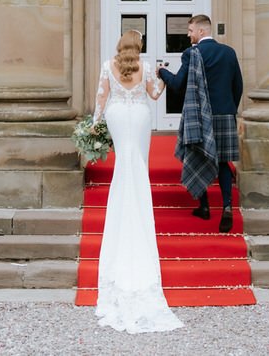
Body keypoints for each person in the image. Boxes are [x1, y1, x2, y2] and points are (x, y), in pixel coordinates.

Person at [91, 30, 182, 334]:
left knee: (123, 164)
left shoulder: (108, 65)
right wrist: (163, 77)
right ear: (138, 47)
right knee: (138, 162)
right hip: (140, 115)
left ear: (120, 46)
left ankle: (123, 200)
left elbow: (102, 96)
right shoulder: (143, 67)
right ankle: (138, 203)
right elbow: (154, 95)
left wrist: (93, 124)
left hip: (117, 114)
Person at [158, 14, 243, 233]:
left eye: (190, 31)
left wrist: (162, 72)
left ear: (202, 31)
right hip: (224, 113)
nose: (188, 36)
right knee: (223, 162)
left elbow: (177, 84)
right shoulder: (229, 52)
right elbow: (238, 86)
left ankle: (204, 207)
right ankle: (226, 207)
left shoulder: (192, 53)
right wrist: (229, 109)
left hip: (200, 115)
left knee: (198, 155)